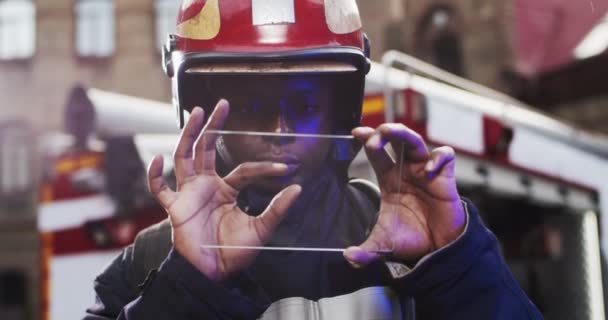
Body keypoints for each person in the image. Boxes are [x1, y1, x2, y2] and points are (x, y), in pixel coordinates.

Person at [84, 1, 543, 319]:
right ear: (203, 113)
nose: (280, 134)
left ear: (341, 110)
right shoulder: (153, 259)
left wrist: (454, 263)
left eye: (304, 107)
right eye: (252, 107)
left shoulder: (403, 241)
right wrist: (184, 287)